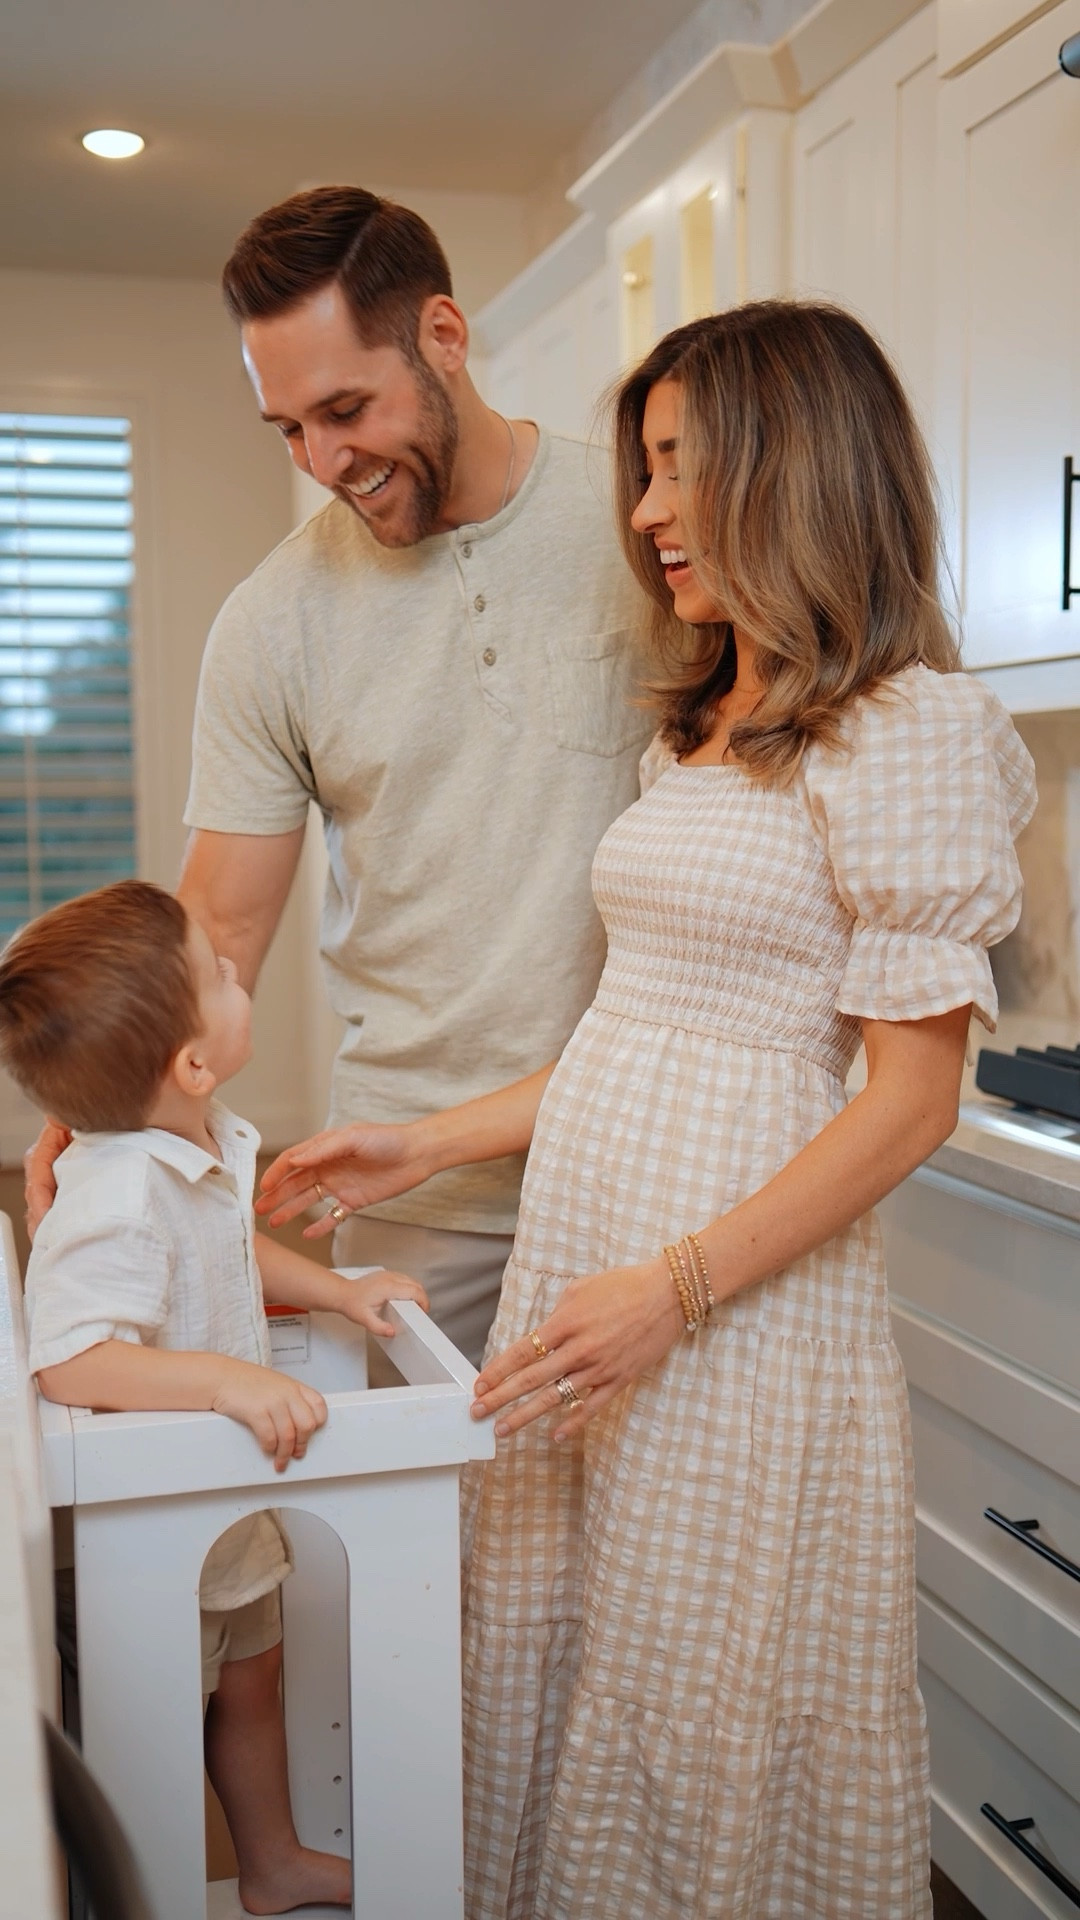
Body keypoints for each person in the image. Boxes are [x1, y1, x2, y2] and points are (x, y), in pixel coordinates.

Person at [258, 303, 1037, 1918]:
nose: (647, 510)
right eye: (644, 469)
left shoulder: (909, 730)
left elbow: (910, 1098)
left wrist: (674, 1292)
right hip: (595, 1262)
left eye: (683, 468)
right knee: (563, 1640)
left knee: (700, 1686)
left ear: (796, 470)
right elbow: (649, 1028)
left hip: (729, 1303)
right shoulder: (701, 730)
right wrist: (425, 1137)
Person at [23, 184, 649, 1369]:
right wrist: (96, 1094)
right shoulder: (274, 623)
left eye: (346, 408)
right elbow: (217, 923)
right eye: (290, 429)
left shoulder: (642, 526)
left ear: (445, 339)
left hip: (650, 1149)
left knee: (649, 1548)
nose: (323, 461)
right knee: (417, 1547)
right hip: (413, 1185)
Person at [1, 879, 426, 1917]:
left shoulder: (198, 1140)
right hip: (156, 1523)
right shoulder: (115, 1193)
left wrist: (340, 1290)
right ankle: (139, 1889)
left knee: (254, 1681)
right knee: (157, 1709)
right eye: (222, 974)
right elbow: (71, 1359)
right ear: (190, 1061)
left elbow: (229, 1264)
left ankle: (271, 1860)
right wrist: (224, 1382)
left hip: (227, 1511)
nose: (240, 972)